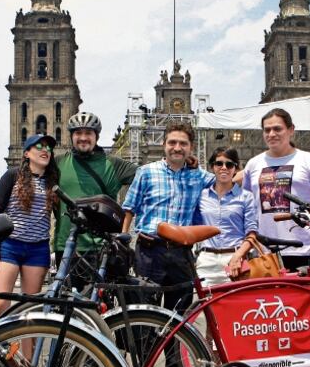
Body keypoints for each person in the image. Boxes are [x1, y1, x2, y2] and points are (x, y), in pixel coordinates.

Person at [122, 122, 213, 314]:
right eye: (172, 142)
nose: (177, 148)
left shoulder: (199, 176)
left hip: (182, 254)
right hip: (149, 252)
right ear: (164, 144)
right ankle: (149, 346)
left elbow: (228, 180)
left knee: (179, 316)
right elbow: (129, 208)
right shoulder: (146, 171)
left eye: (183, 143)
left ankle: (172, 346)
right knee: (146, 312)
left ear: (191, 147)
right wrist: (123, 242)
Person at [240, 108, 310, 271]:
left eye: (277, 129)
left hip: (304, 248)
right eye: (267, 130)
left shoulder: (309, 161)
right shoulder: (253, 164)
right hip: (265, 251)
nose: (271, 134)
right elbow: (246, 205)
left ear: (291, 130)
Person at [53, 111, 137, 285]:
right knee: (65, 304)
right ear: (71, 136)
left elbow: (149, 175)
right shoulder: (58, 162)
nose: (83, 138)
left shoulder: (113, 164)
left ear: (96, 136)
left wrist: (186, 162)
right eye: (78, 133)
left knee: (99, 306)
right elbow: (30, 173)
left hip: (102, 248)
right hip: (67, 246)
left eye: (88, 133)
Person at [0, 134, 59, 319]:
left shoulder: (53, 181)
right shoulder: (12, 176)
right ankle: (0, 347)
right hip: (10, 245)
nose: (45, 150)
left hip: (38, 248)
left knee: (30, 312)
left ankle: (25, 348)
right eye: (39, 147)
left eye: (48, 148)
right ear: (27, 153)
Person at [195, 147, 258, 286]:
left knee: (235, 306)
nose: (224, 168)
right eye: (219, 164)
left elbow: (252, 233)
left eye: (229, 164)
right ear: (212, 167)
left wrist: (238, 256)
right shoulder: (201, 196)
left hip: (235, 259)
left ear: (236, 169)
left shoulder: (246, 197)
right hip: (206, 260)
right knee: (205, 305)